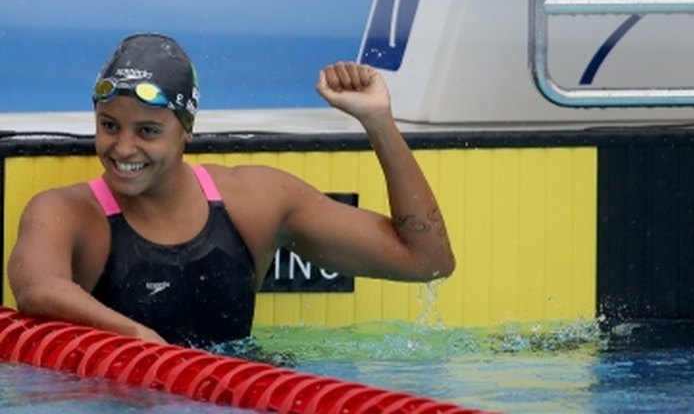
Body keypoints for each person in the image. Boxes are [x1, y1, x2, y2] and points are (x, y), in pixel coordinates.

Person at [7, 33, 455, 348]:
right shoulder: (68, 212)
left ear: (187, 132)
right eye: (109, 126)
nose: (123, 148)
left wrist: (377, 121)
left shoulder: (254, 201)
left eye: (147, 131)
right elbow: (38, 288)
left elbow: (425, 260)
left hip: (239, 395)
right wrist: (137, 338)